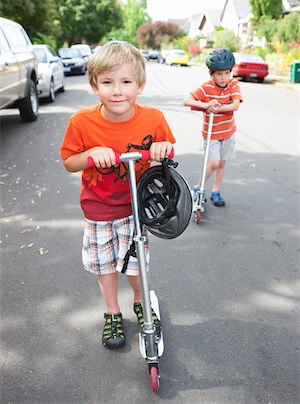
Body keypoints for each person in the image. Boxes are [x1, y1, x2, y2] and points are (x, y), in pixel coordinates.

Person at [60, 41, 175, 349]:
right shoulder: (82, 122)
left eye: (126, 82)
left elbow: (166, 151)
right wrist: (92, 154)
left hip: (136, 208)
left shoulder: (153, 119)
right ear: (94, 85)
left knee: (136, 266)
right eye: (107, 82)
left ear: (140, 84)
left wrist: (162, 150)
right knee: (105, 265)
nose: (117, 91)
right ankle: (112, 310)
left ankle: (140, 300)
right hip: (98, 208)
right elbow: (70, 161)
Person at [183, 48, 243, 206]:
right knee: (214, 163)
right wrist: (206, 104)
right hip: (211, 134)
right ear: (211, 73)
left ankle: (216, 190)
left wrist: (219, 108)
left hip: (228, 133)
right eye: (219, 74)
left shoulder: (233, 85)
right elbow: (187, 100)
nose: (223, 78)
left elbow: (236, 105)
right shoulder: (206, 88)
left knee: (222, 163)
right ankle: (198, 187)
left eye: (226, 73)